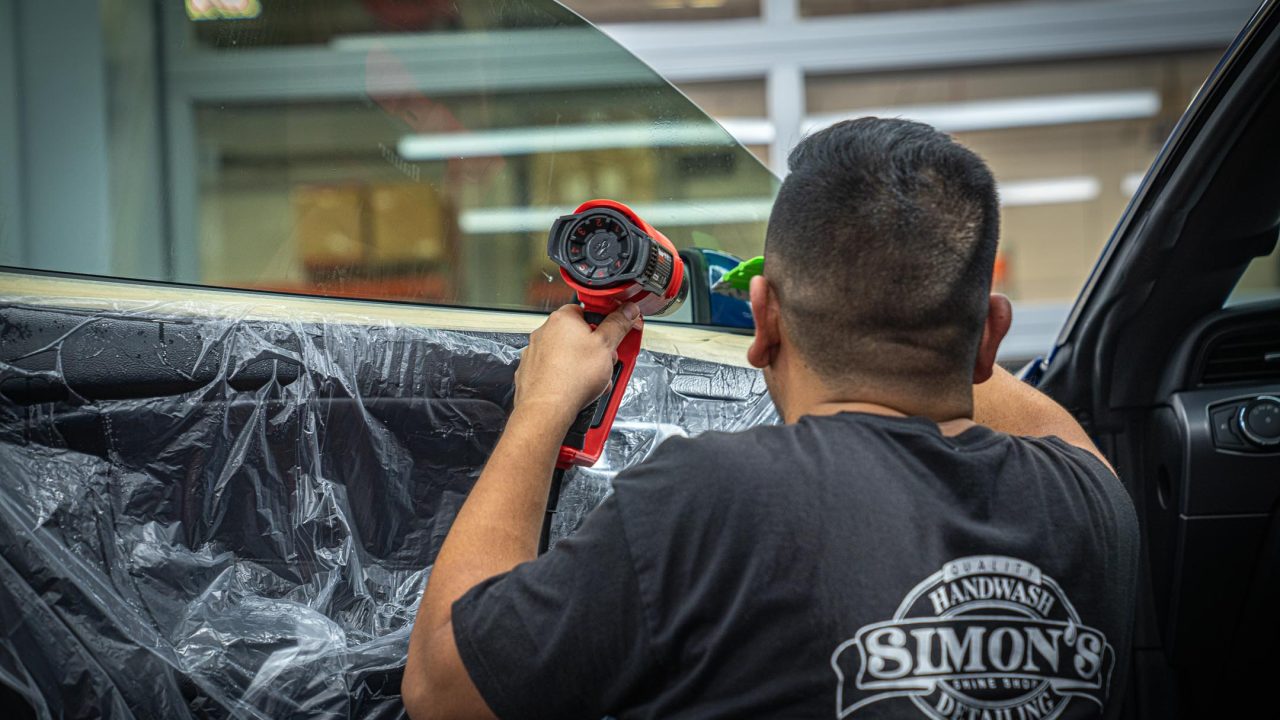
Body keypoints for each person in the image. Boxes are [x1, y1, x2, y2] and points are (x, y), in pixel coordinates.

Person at [401, 117, 1140, 720]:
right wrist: (931, 302)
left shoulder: (716, 497)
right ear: (992, 336)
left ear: (764, 325)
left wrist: (542, 404)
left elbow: (442, 689)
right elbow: (1043, 419)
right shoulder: (1093, 507)